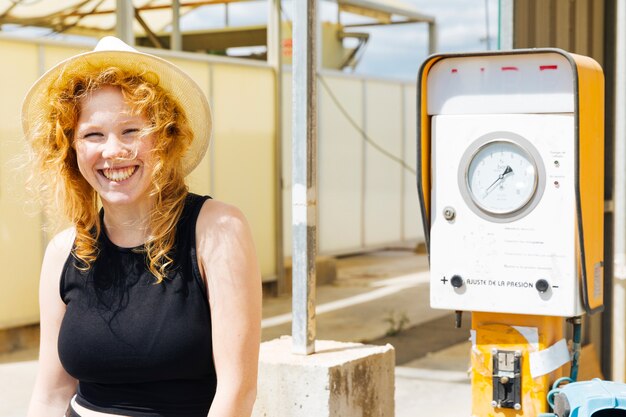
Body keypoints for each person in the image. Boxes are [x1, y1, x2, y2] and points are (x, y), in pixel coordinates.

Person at [22, 36, 261, 417]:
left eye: (131, 131)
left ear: (165, 139)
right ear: (72, 151)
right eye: (92, 135)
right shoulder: (63, 251)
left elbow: (238, 391)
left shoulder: (218, 230)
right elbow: (49, 396)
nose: (113, 151)